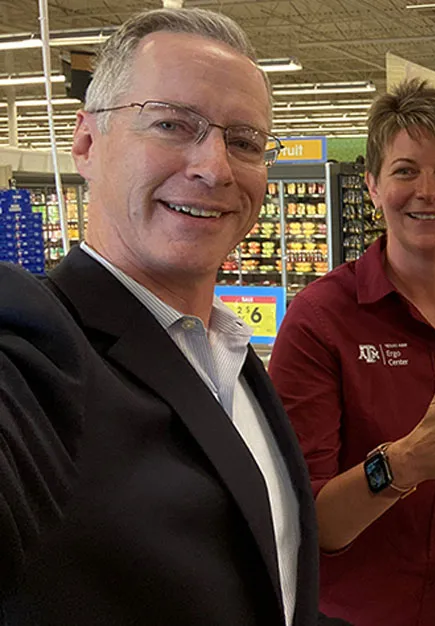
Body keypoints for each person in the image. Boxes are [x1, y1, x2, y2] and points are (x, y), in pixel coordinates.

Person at [0, 8, 340, 625]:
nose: (215, 167)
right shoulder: (37, 352)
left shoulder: (232, 355)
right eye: (171, 124)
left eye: (244, 142)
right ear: (85, 142)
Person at [268, 79, 435, 626]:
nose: (427, 190)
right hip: (349, 613)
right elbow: (308, 519)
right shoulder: (320, 320)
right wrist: (405, 462)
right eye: (405, 170)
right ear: (372, 185)